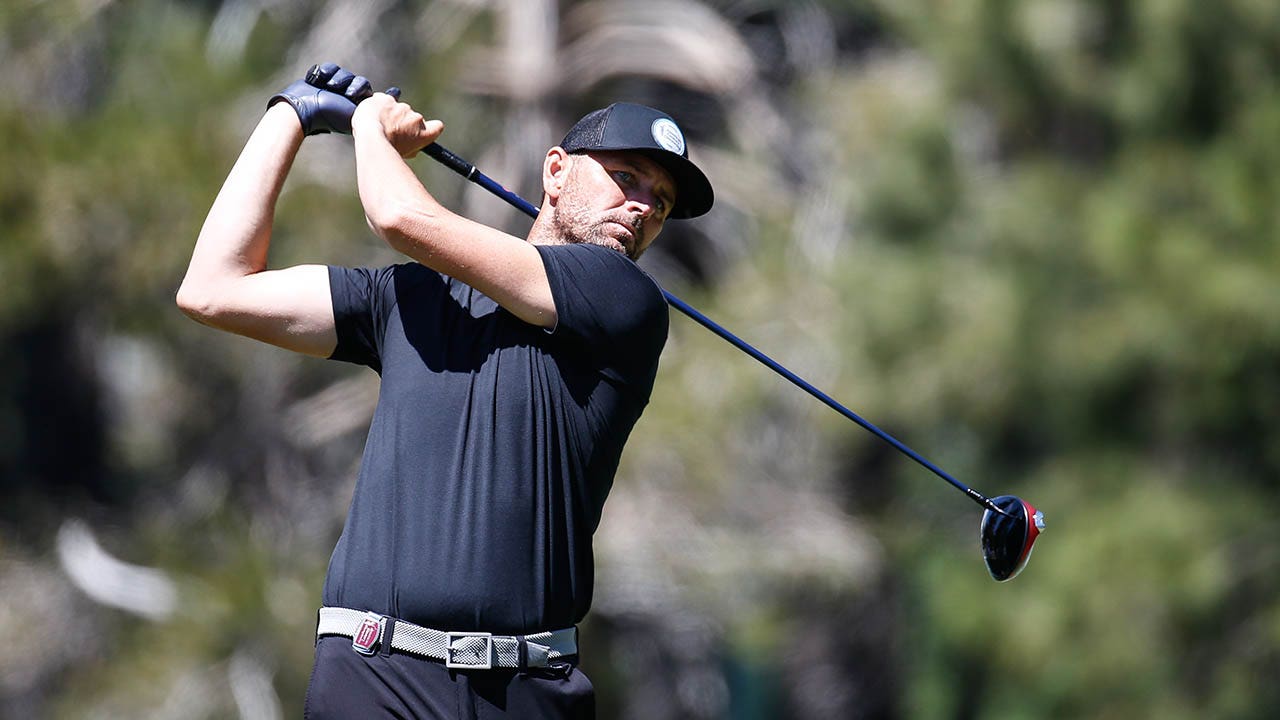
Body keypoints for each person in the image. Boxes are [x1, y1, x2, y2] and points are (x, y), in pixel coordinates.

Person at [176, 64, 713, 718]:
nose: (641, 207)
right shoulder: (407, 299)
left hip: (524, 691)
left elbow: (399, 216)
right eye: (626, 178)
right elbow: (212, 287)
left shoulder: (624, 301)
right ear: (555, 171)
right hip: (372, 677)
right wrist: (290, 112)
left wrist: (368, 124)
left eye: (658, 202)